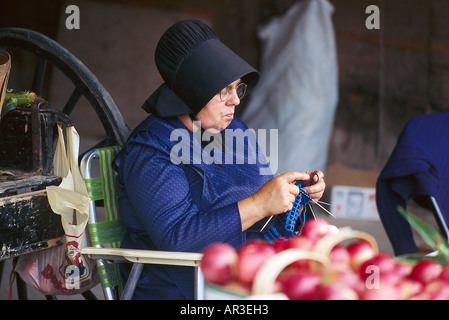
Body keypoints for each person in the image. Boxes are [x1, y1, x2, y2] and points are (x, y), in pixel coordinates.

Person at [113, 19, 326, 300]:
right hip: (183, 286)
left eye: (237, 88)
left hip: (248, 269)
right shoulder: (152, 150)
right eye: (224, 90)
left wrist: (295, 194)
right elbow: (179, 239)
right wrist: (259, 204)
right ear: (192, 92)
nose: (235, 100)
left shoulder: (231, 130)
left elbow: (262, 199)